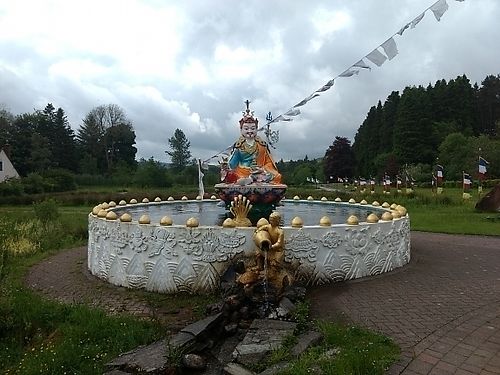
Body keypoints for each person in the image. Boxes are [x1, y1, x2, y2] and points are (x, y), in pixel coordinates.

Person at [225, 102, 282, 185]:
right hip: (242, 172)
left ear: (256, 129)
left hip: (260, 172)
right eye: (246, 128)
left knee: (277, 176)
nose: (250, 131)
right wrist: (227, 165)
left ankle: (252, 180)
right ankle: (248, 180)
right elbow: (232, 164)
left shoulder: (262, 145)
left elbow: (269, 162)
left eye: (252, 128)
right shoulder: (239, 146)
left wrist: (263, 169)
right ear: (241, 130)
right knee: (233, 177)